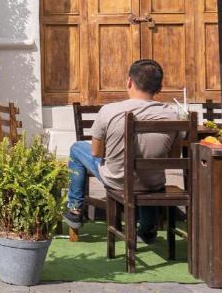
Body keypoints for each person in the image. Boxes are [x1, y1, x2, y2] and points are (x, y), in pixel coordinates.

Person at [65, 59, 177, 244]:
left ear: (129, 82)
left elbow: (95, 153)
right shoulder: (172, 115)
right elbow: (172, 158)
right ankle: (148, 229)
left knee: (77, 148)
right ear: (160, 87)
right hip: (153, 184)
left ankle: (75, 210)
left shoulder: (109, 111)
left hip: (117, 180)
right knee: (147, 174)